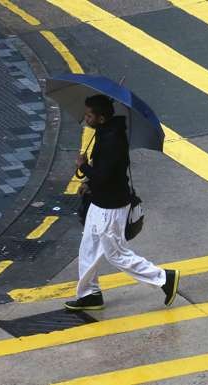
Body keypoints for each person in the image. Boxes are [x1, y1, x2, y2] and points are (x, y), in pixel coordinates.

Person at [64, 94, 179, 311]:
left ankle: (164, 278)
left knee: (116, 254)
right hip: (100, 201)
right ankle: (89, 294)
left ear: (101, 118)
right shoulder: (105, 132)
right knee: (88, 247)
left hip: (111, 207)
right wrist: (89, 182)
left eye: (89, 115)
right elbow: (105, 174)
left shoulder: (112, 140)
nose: (85, 118)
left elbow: (104, 175)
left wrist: (84, 167)